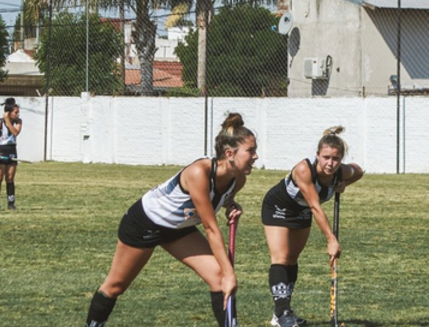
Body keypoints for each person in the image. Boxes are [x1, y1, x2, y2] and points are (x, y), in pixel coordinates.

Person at [83, 113, 258, 327]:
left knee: (219, 278)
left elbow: (223, 197)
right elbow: (211, 228)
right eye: (251, 151)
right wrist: (231, 273)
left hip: (178, 228)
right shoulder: (198, 173)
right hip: (145, 223)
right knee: (115, 285)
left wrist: (230, 205)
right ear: (230, 153)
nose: (256, 156)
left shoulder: (238, 179)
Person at [261, 126, 363, 327]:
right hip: (279, 207)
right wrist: (331, 239)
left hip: (302, 210)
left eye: (335, 159)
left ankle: (282, 311)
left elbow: (358, 171)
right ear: (317, 155)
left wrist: (344, 184)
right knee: (280, 257)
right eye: (326, 157)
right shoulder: (304, 170)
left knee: (292, 260)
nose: (330, 163)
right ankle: (282, 314)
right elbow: (316, 207)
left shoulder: (339, 172)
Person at [0, 97, 22, 211]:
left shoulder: (18, 122)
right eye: (15, 112)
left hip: (12, 150)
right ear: (9, 112)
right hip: (0, 150)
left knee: (10, 178)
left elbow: (15, 132)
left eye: (18, 112)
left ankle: (11, 203)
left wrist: (8, 121)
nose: (17, 114)